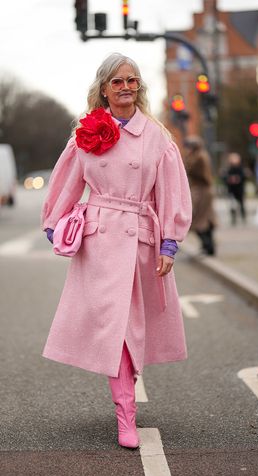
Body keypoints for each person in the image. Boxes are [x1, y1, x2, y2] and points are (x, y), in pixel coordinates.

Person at [41, 53, 192, 449]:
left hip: (140, 240)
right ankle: (126, 413)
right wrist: (55, 226)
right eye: (118, 81)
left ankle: (126, 392)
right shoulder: (86, 133)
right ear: (103, 88)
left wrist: (170, 242)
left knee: (131, 328)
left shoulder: (157, 137)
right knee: (117, 328)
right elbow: (67, 184)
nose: (126, 87)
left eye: (133, 80)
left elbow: (171, 191)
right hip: (99, 242)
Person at [184, 136, 216, 255]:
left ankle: (208, 246)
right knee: (205, 220)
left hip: (202, 191)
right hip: (203, 190)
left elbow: (188, 168)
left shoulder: (198, 157)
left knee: (200, 220)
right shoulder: (202, 155)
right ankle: (207, 246)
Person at [223, 152, 246, 225]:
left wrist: (237, 179)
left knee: (241, 204)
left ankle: (243, 216)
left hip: (239, 190)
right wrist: (229, 179)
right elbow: (225, 178)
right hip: (231, 190)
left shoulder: (240, 169)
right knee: (232, 205)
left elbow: (243, 178)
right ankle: (234, 218)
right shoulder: (229, 169)